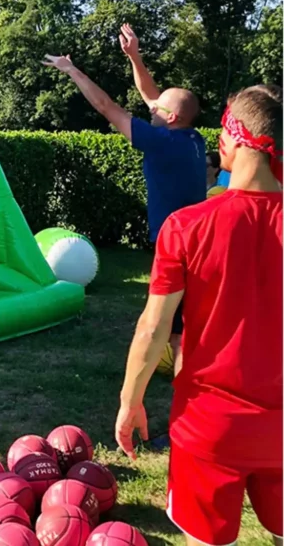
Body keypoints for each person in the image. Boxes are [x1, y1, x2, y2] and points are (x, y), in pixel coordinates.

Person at [115, 84, 282, 546]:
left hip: (209, 428)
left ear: (237, 137)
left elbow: (153, 328)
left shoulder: (187, 226)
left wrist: (131, 402)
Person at [44, 23, 206, 373]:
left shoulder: (161, 142)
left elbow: (106, 106)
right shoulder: (191, 138)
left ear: (171, 117)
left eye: (157, 109)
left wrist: (72, 70)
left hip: (175, 245)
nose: (151, 109)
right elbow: (152, 95)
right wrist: (134, 57)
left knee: (173, 327)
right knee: (188, 318)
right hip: (195, 242)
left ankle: (189, 393)